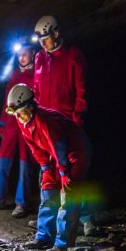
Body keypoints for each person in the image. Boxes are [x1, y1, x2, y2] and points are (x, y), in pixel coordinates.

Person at [5, 83, 90, 251]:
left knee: (68, 194)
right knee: (48, 192)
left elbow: (59, 146)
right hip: (55, 155)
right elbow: (35, 147)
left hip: (76, 153)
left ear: (30, 106)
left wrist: (64, 172)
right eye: (15, 113)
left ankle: (63, 244)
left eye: (20, 112)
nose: (18, 117)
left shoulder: (45, 120)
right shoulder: (23, 121)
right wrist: (45, 167)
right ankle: (44, 237)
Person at [31, 15, 95, 234]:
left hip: (67, 125)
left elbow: (81, 91)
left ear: (56, 33)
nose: (42, 43)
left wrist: (76, 121)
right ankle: (49, 222)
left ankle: (85, 219)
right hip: (47, 127)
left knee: (74, 173)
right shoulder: (40, 58)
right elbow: (36, 92)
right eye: (39, 40)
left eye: (45, 38)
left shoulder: (73, 56)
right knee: (49, 173)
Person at [0, 40, 37, 217]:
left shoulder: (37, 73)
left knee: (25, 164)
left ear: (32, 53)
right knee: (1, 162)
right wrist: (2, 122)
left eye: (25, 54)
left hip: (28, 122)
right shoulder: (14, 74)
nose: (21, 57)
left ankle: (22, 203)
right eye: (19, 54)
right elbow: (7, 100)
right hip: (12, 124)